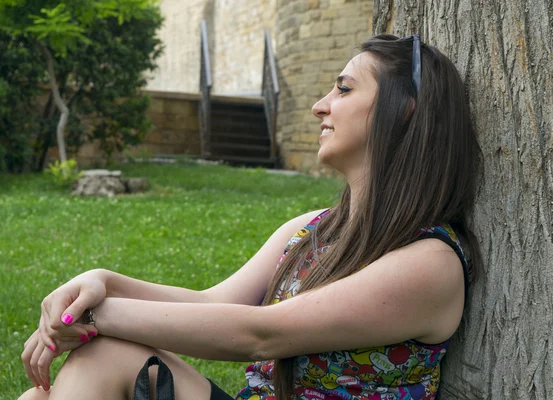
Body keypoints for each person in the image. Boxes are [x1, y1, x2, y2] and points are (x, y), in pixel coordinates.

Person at [19, 34, 483, 400]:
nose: (320, 105)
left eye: (343, 89)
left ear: (404, 111)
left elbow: (258, 334)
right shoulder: (312, 228)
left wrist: (93, 319)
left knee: (104, 357)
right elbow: (212, 304)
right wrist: (99, 284)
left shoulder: (430, 263)